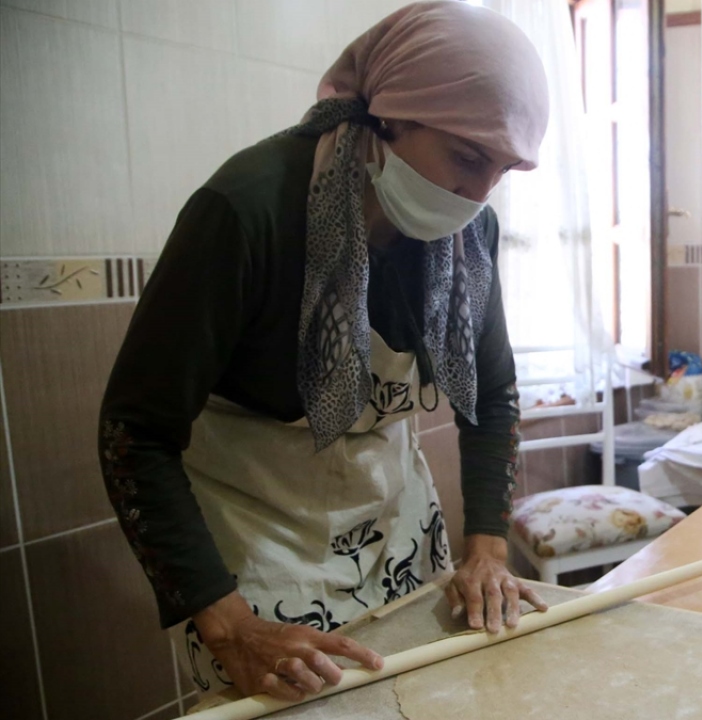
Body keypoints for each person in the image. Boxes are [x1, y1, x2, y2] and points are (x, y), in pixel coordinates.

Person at [99, 2, 550, 702]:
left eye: (502, 170)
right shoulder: (248, 210)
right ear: (391, 114)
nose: (478, 194)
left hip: (397, 522)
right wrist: (229, 626)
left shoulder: (468, 237)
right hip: (261, 539)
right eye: (466, 158)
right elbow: (136, 432)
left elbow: (492, 399)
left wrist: (487, 548)